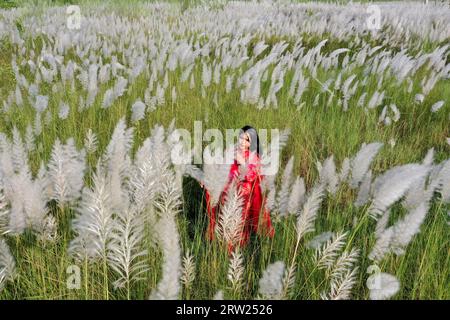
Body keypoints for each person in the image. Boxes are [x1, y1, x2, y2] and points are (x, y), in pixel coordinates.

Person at [201, 126, 274, 253]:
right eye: (241, 137)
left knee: (237, 215)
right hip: (227, 187)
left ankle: (235, 248)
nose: (242, 142)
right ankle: (220, 242)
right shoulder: (230, 150)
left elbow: (252, 176)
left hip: (243, 192)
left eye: (247, 140)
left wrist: (242, 163)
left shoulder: (254, 156)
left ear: (252, 143)